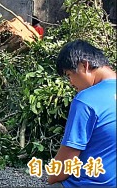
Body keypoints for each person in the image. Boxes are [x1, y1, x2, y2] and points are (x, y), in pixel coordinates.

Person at [48, 40, 116, 187]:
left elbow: (67, 159)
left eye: (69, 75)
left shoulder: (86, 100)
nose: (71, 83)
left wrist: (51, 178)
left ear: (84, 65)